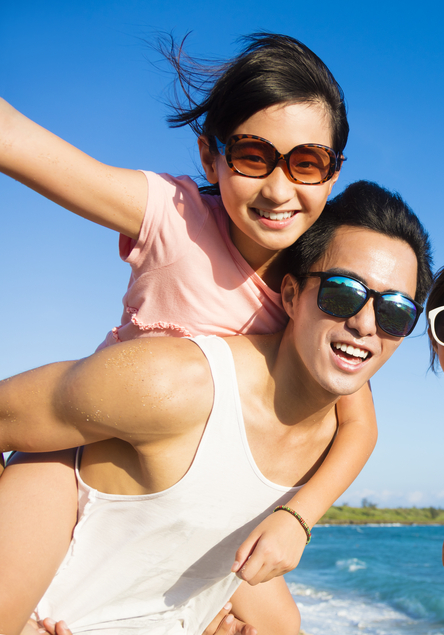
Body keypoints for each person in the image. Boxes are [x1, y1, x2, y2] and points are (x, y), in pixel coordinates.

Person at [0, 33, 366, 633]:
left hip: (188, 499)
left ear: (333, 173)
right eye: (252, 156)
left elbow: (358, 423)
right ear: (210, 157)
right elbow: (17, 140)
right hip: (74, 455)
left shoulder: (317, 279)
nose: (279, 189)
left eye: (306, 163)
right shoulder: (171, 214)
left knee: (282, 626)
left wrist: (299, 517)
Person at [0, 181, 433, 634]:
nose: (365, 324)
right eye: (343, 293)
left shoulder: (337, 432)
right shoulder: (173, 385)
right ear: (290, 295)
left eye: (395, 312)